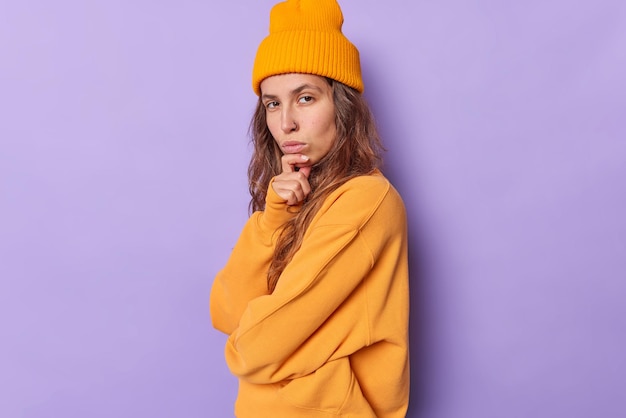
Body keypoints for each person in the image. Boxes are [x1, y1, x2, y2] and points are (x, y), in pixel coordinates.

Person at [209, 0, 410, 416]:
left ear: (341, 106)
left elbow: (254, 347)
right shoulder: (291, 199)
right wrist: (274, 218)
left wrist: (257, 340)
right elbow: (226, 312)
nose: (286, 124)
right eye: (272, 103)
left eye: (304, 98)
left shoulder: (366, 201)